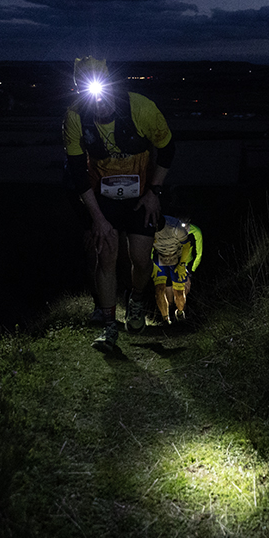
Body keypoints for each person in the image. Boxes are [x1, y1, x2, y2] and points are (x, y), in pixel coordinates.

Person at [62, 56, 175, 351]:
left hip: (140, 196)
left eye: (104, 96)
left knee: (140, 258)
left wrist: (154, 193)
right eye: (91, 99)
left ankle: (136, 298)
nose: (100, 106)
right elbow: (77, 174)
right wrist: (97, 219)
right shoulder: (74, 117)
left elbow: (167, 148)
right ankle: (110, 326)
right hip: (103, 196)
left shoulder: (141, 108)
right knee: (106, 254)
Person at [151, 215, 203, 325]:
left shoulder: (181, 229)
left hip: (179, 260)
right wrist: (151, 262)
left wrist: (187, 268)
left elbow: (194, 250)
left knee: (180, 292)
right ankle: (165, 319)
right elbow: (148, 246)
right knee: (161, 289)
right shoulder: (152, 228)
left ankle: (180, 313)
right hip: (160, 258)